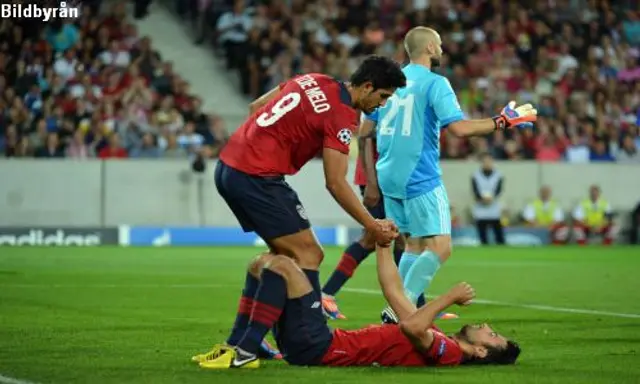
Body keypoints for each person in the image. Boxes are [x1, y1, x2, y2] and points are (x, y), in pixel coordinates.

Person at [203, 55, 407, 364]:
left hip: (230, 166)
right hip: (258, 177)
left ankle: (242, 342)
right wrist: (373, 225)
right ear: (367, 87)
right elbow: (336, 183)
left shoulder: (314, 79)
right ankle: (292, 342)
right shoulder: (343, 115)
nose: (382, 104)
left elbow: (256, 108)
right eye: (383, 96)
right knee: (310, 255)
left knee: (282, 259)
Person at [363, 27, 536, 318]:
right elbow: (459, 129)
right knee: (441, 247)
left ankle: (397, 307)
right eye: (440, 44)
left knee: (415, 244)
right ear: (430, 47)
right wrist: (502, 121)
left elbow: (365, 130)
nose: (442, 49)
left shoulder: (390, 83)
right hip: (419, 175)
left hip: (389, 176)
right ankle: (400, 307)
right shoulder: (435, 83)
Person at [195, 228, 521, 369]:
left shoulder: (450, 353)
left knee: (281, 264)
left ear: (480, 351)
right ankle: (240, 343)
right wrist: (381, 245)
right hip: (317, 341)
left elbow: (410, 327)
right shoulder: (435, 333)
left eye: (491, 335)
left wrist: (449, 296)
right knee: (262, 263)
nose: (487, 326)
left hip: (318, 347)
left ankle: (245, 352)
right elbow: (394, 291)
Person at [320, 115, 421, 320]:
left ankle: (415, 305)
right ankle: (326, 294)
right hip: (376, 179)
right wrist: (372, 183)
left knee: (398, 239)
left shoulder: (397, 96)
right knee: (380, 238)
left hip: (390, 178)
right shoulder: (383, 99)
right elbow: (365, 137)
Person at [472, 153, 506, 245]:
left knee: (499, 235)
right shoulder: (476, 175)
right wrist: (481, 199)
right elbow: (475, 190)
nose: (487, 163)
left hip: (493, 207)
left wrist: (492, 198)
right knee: (482, 236)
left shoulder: (498, 175)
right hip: (481, 208)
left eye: (489, 161)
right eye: (485, 161)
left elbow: (499, 190)